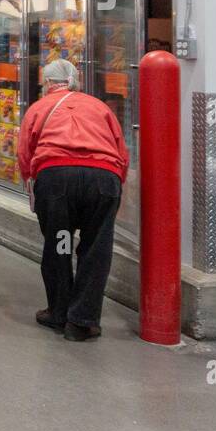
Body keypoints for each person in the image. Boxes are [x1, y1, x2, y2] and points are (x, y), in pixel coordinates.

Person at [17, 58, 130, 342]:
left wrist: (32, 186)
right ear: (76, 81)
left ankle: (58, 312)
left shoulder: (39, 108)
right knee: (95, 248)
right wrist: (115, 189)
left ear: (46, 84)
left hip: (57, 182)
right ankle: (82, 320)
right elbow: (121, 152)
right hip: (103, 180)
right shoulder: (99, 106)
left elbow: (25, 155)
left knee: (60, 243)